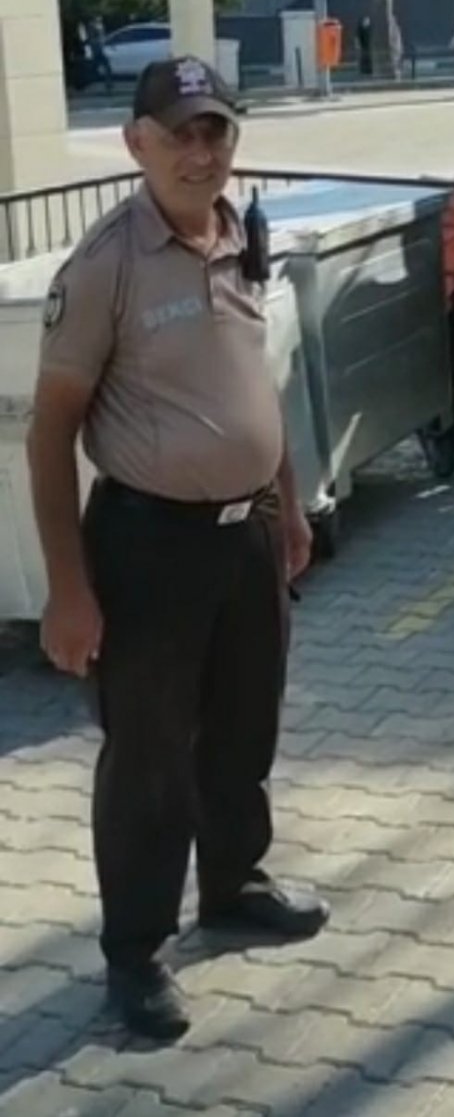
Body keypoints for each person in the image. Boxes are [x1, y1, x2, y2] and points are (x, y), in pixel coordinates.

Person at [25, 55, 329, 1042]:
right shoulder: (106, 265)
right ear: (137, 144)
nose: (201, 152)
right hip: (148, 545)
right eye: (180, 134)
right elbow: (48, 432)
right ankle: (136, 951)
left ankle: (234, 885)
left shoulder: (241, 233)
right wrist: (67, 590)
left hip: (248, 536)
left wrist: (289, 510)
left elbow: (257, 386)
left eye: (216, 131)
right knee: (149, 758)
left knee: (244, 727)